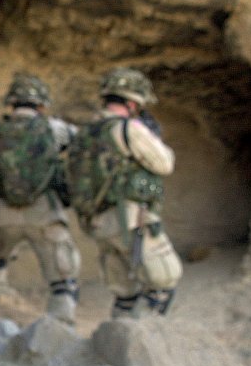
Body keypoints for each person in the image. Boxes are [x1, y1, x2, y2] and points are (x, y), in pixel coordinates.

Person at [68, 67, 183, 318]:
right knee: (163, 282)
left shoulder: (85, 132)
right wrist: (151, 137)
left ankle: (118, 344)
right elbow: (165, 163)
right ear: (131, 103)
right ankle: (146, 343)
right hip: (131, 221)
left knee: (125, 294)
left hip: (99, 224)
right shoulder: (128, 129)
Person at [0, 73, 81, 324]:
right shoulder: (53, 128)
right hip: (44, 212)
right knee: (62, 276)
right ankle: (60, 327)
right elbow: (82, 144)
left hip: (3, 214)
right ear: (41, 105)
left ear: (12, 103)